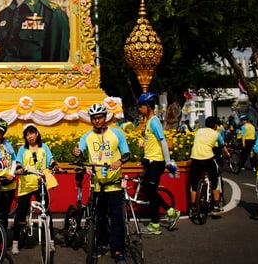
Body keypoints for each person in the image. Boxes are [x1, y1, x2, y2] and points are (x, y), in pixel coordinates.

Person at [73, 104, 130, 263]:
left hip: (114, 183)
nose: (97, 121)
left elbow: (126, 153)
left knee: (116, 217)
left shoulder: (117, 134)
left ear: (105, 117)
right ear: (91, 120)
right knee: (100, 218)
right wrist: (76, 151)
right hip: (97, 184)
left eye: (100, 117)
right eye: (94, 118)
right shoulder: (87, 136)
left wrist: (119, 161)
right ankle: (103, 244)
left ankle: (118, 250)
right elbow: (79, 150)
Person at [136, 92, 181, 235]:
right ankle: (169, 211)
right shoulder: (148, 122)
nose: (140, 109)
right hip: (150, 161)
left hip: (156, 162)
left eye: (142, 106)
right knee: (147, 189)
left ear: (148, 107)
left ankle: (157, 222)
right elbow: (153, 140)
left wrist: (167, 162)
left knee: (150, 191)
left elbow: (163, 141)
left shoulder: (154, 121)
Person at [12, 124, 58, 255]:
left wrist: (55, 166)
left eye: (31, 133)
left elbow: (51, 160)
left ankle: (51, 243)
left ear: (37, 133)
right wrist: (19, 168)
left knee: (47, 213)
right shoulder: (22, 149)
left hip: (40, 184)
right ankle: (15, 243)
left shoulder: (44, 147)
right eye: (27, 134)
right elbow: (18, 162)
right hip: (26, 185)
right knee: (20, 214)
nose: (29, 136)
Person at [188, 116, 225, 217]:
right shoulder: (216, 134)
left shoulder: (199, 131)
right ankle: (217, 206)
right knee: (215, 179)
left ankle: (193, 207)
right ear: (215, 125)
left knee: (194, 184)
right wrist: (226, 155)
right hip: (208, 158)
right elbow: (222, 146)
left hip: (195, 158)